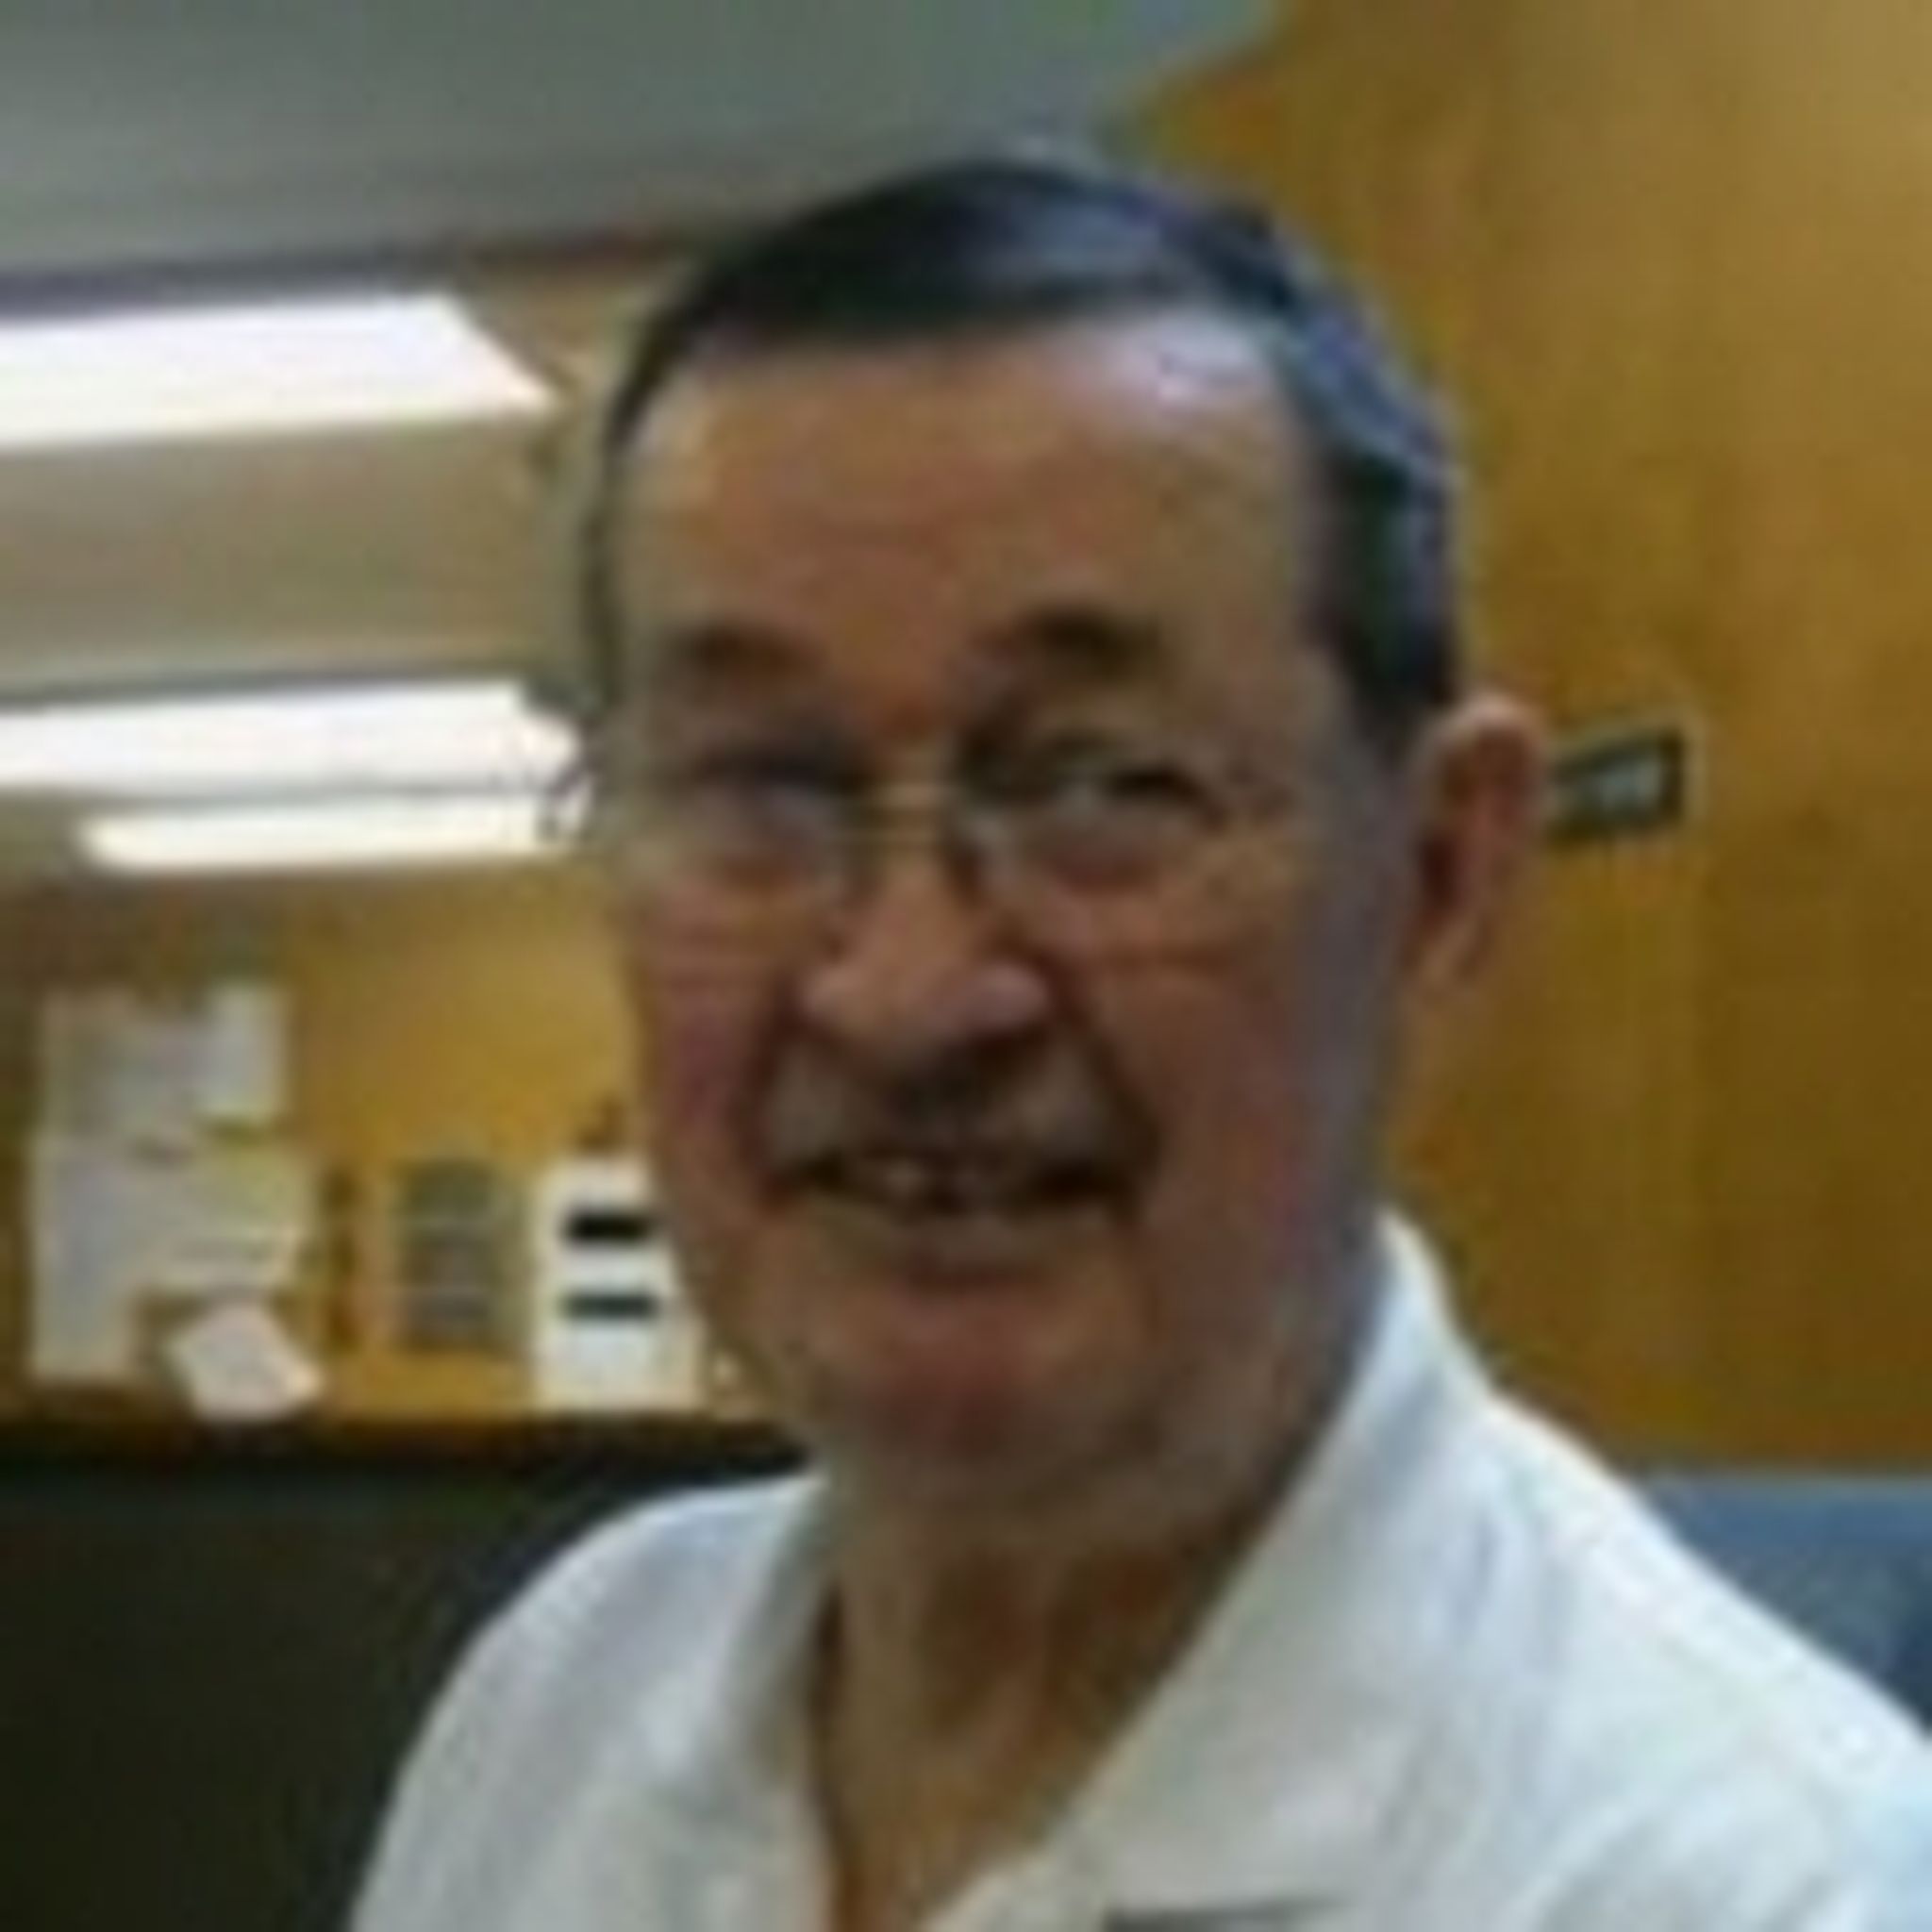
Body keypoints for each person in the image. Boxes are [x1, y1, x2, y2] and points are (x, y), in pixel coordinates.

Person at [355, 156, 1932, 1932]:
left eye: (1103, 785)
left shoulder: (1761, 1880)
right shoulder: (564, 1698)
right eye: (760, 786)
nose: (905, 994)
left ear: (1437, 876)